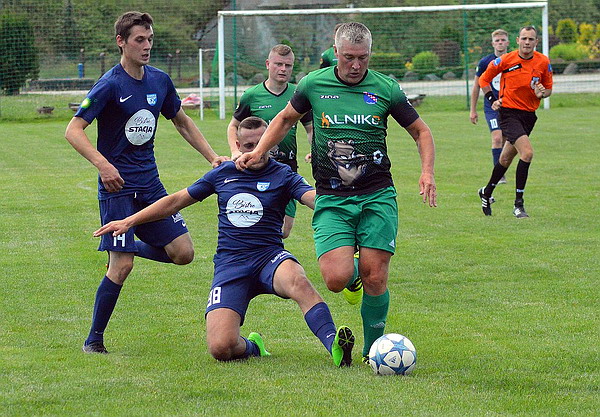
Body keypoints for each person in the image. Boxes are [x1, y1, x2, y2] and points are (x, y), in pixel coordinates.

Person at [236, 22, 437, 363]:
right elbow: (284, 119)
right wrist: (259, 152)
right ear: (335, 52)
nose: (356, 65)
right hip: (331, 198)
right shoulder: (314, 84)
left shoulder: (386, 88)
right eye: (348, 57)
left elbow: (421, 131)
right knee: (335, 279)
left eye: (363, 58)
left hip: (377, 195)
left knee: (376, 275)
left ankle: (373, 350)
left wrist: (427, 171)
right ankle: (355, 273)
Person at [94, 117, 355, 366]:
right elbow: (175, 201)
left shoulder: (283, 174)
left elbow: (312, 198)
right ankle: (253, 346)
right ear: (238, 146)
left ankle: (334, 344)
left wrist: (347, 211)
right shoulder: (223, 173)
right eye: (249, 145)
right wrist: (129, 221)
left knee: (298, 281)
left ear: (271, 142)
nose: (255, 151)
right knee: (221, 348)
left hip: (269, 258)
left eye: (261, 143)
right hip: (230, 265)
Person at [65, 11, 227, 354]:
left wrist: (212, 157)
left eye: (150, 39)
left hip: (150, 186)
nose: (147, 45)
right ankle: (94, 340)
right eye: (139, 39)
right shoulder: (109, 84)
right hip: (118, 190)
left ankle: (125, 245)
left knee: (183, 253)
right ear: (121, 42)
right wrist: (103, 165)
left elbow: (181, 121)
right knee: (122, 266)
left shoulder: (159, 81)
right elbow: (73, 130)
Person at [227, 44, 313, 239]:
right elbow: (233, 126)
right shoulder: (252, 95)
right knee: (259, 220)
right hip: (258, 166)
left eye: (288, 65)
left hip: (287, 166)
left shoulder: (299, 94)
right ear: (268, 64)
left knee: (284, 230)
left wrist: (315, 149)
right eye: (278, 64)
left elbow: (310, 129)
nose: (283, 69)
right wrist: (235, 151)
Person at [478, 26, 553, 218]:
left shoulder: (543, 62)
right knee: (527, 153)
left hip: (529, 116)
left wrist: (541, 93)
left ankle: (486, 192)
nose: (527, 42)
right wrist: (492, 100)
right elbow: (483, 80)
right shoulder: (506, 60)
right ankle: (518, 205)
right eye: (524, 38)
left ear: (536, 42)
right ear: (518, 40)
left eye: (531, 39)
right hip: (508, 114)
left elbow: (548, 90)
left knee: (505, 159)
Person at [470, 29, 510, 184]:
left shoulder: (513, 60)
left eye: (503, 40)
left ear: (508, 42)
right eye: (497, 40)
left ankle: (501, 169)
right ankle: (499, 175)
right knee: (497, 137)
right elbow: (476, 86)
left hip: (509, 106)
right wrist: (473, 110)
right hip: (491, 107)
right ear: (493, 43)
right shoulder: (485, 62)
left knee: (506, 140)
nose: (500, 43)